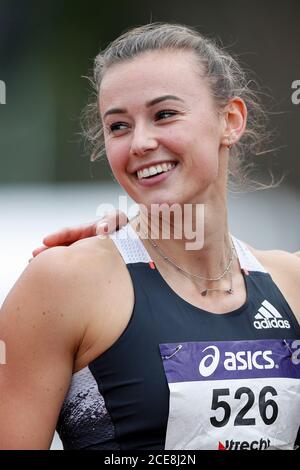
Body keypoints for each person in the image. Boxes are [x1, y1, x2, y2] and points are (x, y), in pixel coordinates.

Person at [1, 22, 300, 451]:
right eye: (118, 126)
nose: (140, 142)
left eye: (164, 115)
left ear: (230, 120)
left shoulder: (292, 283)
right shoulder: (65, 284)